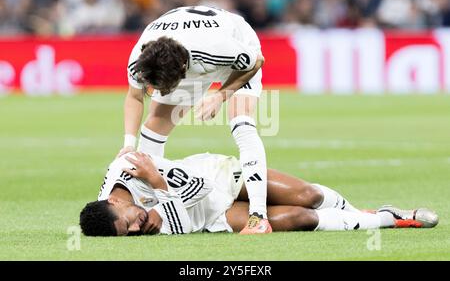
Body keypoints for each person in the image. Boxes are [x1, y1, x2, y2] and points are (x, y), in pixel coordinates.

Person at [118, 5, 270, 234]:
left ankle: (258, 218)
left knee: (241, 122)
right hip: (184, 54)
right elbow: (135, 96)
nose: (154, 91)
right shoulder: (141, 59)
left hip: (234, 51)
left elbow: (257, 61)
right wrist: (128, 143)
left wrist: (220, 96)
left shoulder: (218, 49)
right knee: (152, 129)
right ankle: (150, 208)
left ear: (181, 71)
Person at [80, 152, 439, 236]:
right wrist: (165, 197)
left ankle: (356, 209)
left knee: (306, 196)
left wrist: (159, 186)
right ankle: (387, 218)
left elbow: (200, 187)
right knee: (295, 219)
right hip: (209, 216)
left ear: (115, 201)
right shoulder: (119, 218)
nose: (136, 228)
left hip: (220, 177)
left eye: (129, 221)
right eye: (128, 235)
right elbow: (180, 217)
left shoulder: (133, 165)